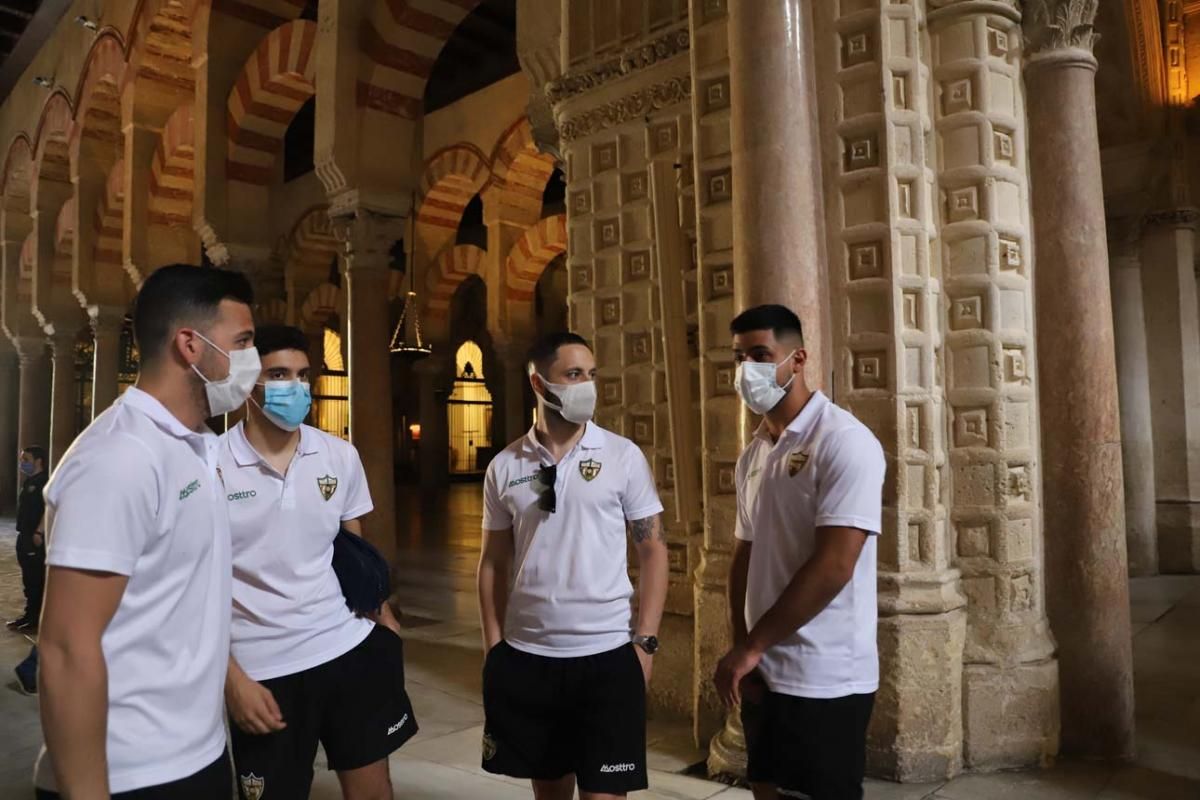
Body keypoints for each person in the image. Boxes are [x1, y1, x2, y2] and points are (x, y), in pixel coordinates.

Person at [35, 264, 257, 798]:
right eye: (243, 341)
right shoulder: (120, 457)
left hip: (196, 754)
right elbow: (65, 648)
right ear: (190, 345)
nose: (253, 359)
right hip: (131, 772)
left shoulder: (194, 444)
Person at [219, 323, 416, 800]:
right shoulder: (211, 465)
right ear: (248, 382)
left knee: (373, 789)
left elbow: (354, 553)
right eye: (280, 374)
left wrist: (382, 619)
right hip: (262, 669)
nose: (296, 387)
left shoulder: (338, 455)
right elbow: (192, 588)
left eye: (304, 374)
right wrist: (230, 680)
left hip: (346, 648)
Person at [477, 331, 670, 800]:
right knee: (550, 793)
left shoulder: (622, 456)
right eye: (574, 374)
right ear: (539, 384)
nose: (587, 385)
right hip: (529, 656)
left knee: (605, 794)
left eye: (591, 374)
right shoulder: (505, 466)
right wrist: (494, 648)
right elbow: (491, 564)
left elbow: (653, 550)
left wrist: (644, 644)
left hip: (606, 655)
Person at [713, 304, 885, 800]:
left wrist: (751, 647)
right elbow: (744, 555)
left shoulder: (844, 441)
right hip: (764, 666)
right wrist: (743, 646)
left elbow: (835, 565)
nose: (748, 370)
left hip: (824, 674)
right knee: (766, 787)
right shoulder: (756, 451)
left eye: (761, 355)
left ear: (798, 358)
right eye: (740, 358)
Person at [7, 445, 47, 632]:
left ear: (38, 461)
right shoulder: (29, 481)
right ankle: (29, 615)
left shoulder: (43, 482)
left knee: (35, 578)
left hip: (35, 537)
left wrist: (39, 532)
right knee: (28, 579)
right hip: (24, 534)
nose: (22, 463)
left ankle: (36, 619)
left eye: (26, 460)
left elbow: (49, 508)